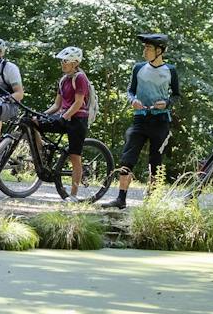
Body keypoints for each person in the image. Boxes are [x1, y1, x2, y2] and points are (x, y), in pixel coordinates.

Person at [102, 31, 179, 209]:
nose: (145, 51)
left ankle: (151, 202)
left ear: (160, 50)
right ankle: (120, 199)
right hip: (140, 120)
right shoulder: (138, 68)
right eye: (144, 47)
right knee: (127, 157)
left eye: (149, 48)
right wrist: (132, 100)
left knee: (156, 161)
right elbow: (131, 91)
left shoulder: (171, 71)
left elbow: (176, 96)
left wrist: (166, 102)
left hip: (160, 121)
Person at [41, 46, 96, 201]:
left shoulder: (80, 78)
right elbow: (56, 105)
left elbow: (78, 103)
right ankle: (44, 151)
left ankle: (73, 195)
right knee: (33, 124)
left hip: (78, 120)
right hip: (64, 117)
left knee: (74, 156)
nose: (62, 64)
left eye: (66, 61)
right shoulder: (63, 80)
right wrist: (42, 115)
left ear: (75, 63)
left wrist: (64, 117)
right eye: (62, 61)